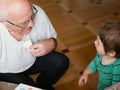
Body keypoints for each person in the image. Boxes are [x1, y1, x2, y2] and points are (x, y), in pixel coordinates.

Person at [0, 0, 69, 90]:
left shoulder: (37, 11)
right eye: (23, 23)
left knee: (61, 61)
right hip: (6, 71)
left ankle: (43, 85)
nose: (32, 24)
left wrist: (51, 43)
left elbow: (52, 39)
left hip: (33, 60)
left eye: (32, 16)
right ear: (2, 21)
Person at [78, 21, 120, 90]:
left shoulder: (117, 67)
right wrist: (86, 73)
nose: (94, 42)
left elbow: (115, 86)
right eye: (96, 39)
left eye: (99, 43)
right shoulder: (100, 54)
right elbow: (95, 63)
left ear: (111, 53)